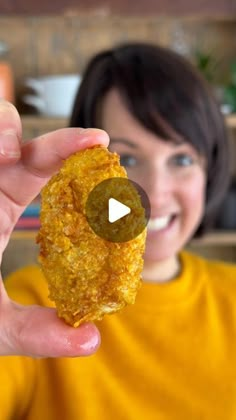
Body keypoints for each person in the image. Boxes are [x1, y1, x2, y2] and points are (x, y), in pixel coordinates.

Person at [0, 42, 236, 419]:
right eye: (126, 158)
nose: (154, 194)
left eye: (182, 158)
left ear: (211, 169)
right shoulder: (27, 307)